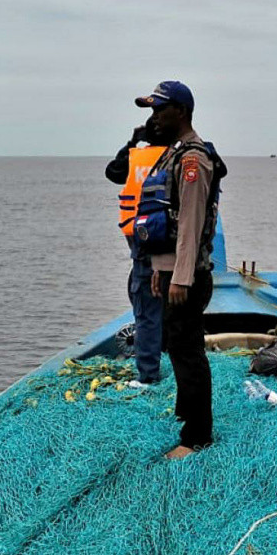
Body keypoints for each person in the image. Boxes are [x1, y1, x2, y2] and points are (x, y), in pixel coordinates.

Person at [133, 80, 226, 459]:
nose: (154, 116)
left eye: (160, 109)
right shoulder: (172, 154)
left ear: (181, 112)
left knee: (189, 353)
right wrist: (161, 268)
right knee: (177, 347)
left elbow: (189, 221)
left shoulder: (192, 159)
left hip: (188, 275)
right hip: (172, 271)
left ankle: (197, 436)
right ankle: (185, 415)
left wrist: (182, 276)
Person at [104, 117, 168, 387]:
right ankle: (166, 359)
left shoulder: (135, 157)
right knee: (164, 303)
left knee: (145, 308)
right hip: (168, 238)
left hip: (141, 239)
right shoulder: (174, 156)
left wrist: (133, 141)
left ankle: (148, 375)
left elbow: (113, 172)